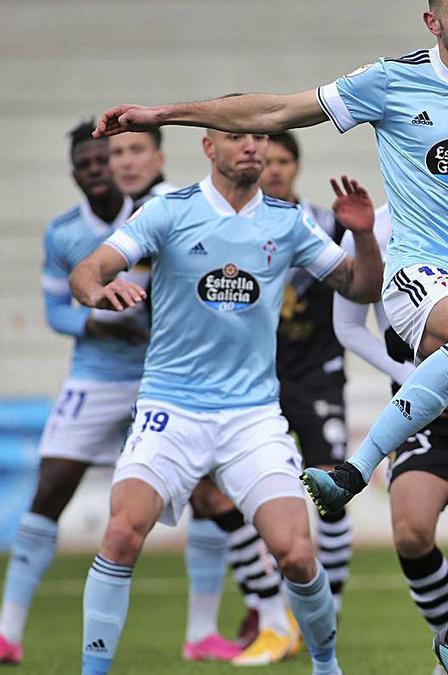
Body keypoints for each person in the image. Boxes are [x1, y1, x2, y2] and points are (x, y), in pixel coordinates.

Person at [93, 2, 448, 670]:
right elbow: (275, 111)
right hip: (421, 274)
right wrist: (162, 114)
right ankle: (354, 470)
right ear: (433, 22)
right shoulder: (390, 80)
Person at [68, 128, 383, 675]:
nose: (253, 146)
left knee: (298, 554)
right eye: (236, 137)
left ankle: (325, 664)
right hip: (171, 410)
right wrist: (95, 288)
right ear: (208, 148)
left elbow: (361, 288)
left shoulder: (287, 222)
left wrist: (364, 237)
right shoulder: (169, 210)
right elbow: (89, 268)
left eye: (260, 136)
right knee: (120, 535)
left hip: (252, 419)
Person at [108, 125, 290, 662]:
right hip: (153, 379)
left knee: (219, 501)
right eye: (116, 152)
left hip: (205, 387)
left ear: (162, 157)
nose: (125, 162)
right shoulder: (149, 212)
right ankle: (221, 626)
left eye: (136, 150)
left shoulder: (171, 206)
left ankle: (263, 618)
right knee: (204, 502)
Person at [0, 122, 139, 666]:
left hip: (161, 376)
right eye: (85, 164)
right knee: (50, 489)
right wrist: (96, 325)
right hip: (96, 375)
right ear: (75, 174)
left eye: (103, 160)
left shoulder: (153, 213)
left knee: (208, 498)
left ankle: (214, 626)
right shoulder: (62, 234)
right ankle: (8, 630)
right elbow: (57, 310)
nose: (96, 171)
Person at [332, 204, 448, 674]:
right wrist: (415, 376)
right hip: (420, 409)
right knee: (411, 533)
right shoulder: (373, 224)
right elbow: (348, 326)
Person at [261, 131, 355, 617]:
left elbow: (357, 284)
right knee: (265, 495)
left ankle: (330, 608)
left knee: (333, 492)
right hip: (260, 381)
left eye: (284, 160)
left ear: (296, 166)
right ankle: (271, 610)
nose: (275, 169)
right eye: (268, 160)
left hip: (319, 374)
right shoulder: (245, 227)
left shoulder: (325, 224)